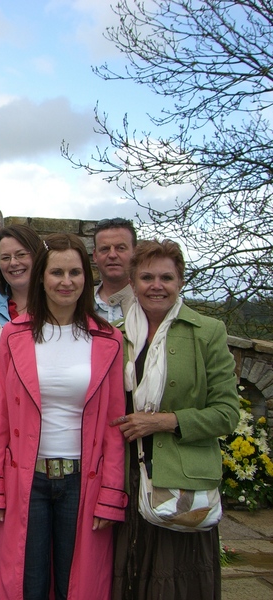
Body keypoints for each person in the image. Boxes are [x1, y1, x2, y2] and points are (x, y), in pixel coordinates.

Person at [0, 233, 127, 600]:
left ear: (85, 279)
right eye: (57, 272)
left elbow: (113, 424)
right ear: (42, 277)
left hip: (82, 481)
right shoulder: (14, 335)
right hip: (27, 480)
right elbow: (2, 416)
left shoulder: (109, 340)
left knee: (75, 584)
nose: (66, 281)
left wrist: (110, 492)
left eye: (75, 272)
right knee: (28, 582)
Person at [111, 239, 240, 600]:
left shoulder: (207, 333)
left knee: (176, 581)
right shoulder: (115, 336)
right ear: (133, 282)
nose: (156, 285)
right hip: (127, 474)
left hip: (180, 477)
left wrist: (163, 421)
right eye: (147, 277)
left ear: (180, 282)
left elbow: (227, 413)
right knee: (129, 573)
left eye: (166, 277)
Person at [0, 225, 43, 326]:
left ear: (37, 255)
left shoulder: (58, 305)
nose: (13, 263)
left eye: (21, 255)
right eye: (5, 257)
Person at [92, 217, 137, 322]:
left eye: (120, 248)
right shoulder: (78, 302)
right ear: (95, 256)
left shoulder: (149, 302)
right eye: (105, 249)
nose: (112, 255)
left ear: (135, 253)